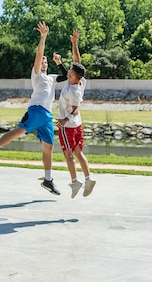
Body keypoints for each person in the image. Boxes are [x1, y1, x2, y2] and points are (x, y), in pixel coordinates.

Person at [0, 21, 67, 195]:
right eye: (41, 60)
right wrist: (43, 37)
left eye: (45, 61)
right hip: (36, 110)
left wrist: (59, 62)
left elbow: (66, 75)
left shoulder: (51, 78)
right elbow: (39, 53)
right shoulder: (37, 75)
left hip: (47, 116)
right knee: (18, 131)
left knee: (49, 147)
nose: (43, 61)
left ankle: (48, 180)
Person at [55, 30, 96, 198]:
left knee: (68, 154)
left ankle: (75, 182)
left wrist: (64, 120)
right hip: (78, 124)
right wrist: (74, 43)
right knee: (78, 152)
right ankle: (88, 178)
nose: (68, 73)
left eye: (70, 73)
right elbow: (77, 62)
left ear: (74, 78)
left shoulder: (73, 91)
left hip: (69, 126)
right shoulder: (80, 81)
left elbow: (75, 109)